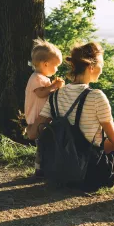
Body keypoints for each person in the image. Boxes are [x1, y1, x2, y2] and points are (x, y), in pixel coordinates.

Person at [28, 42, 114, 186]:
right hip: (90, 175)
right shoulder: (96, 96)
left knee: (102, 142)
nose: (102, 68)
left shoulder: (56, 95)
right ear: (91, 67)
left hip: (61, 170)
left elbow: (32, 134)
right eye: (102, 63)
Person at [25, 38, 65, 177]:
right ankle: (40, 169)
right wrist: (54, 86)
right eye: (56, 66)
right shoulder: (37, 78)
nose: (57, 69)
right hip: (37, 117)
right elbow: (41, 93)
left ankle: (44, 166)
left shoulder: (42, 78)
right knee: (42, 143)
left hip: (41, 116)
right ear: (46, 64)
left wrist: (53, 86)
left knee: (45, 141)